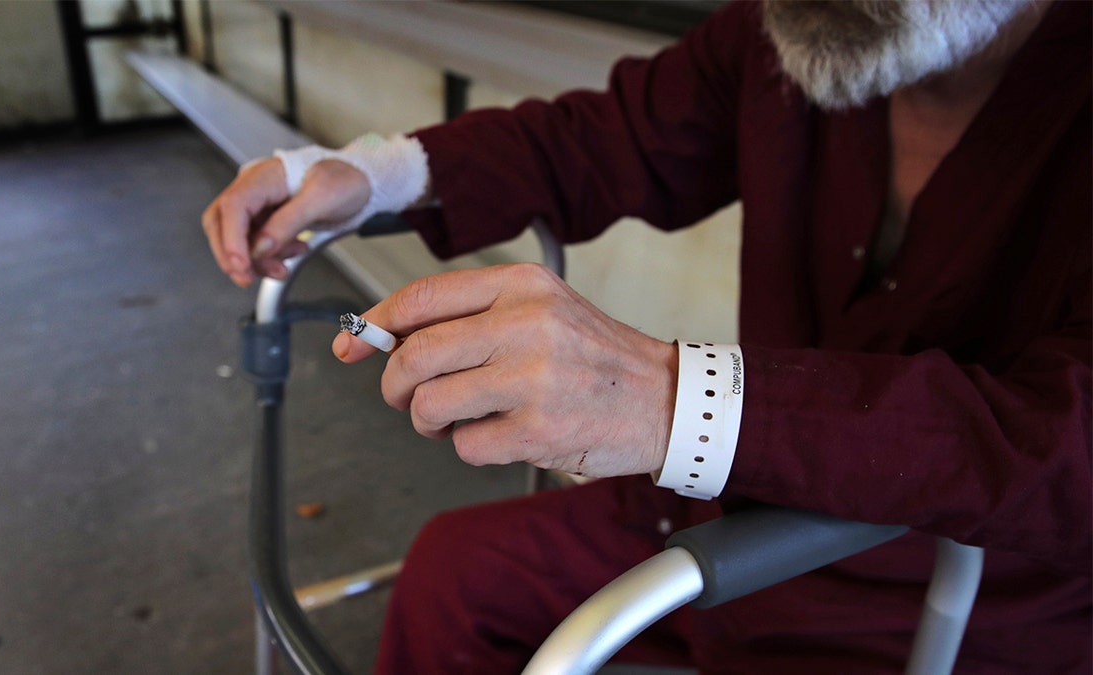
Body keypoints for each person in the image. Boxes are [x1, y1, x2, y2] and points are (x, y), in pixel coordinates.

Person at [202, 0, 1090, 672]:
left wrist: (679, 404)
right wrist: (376, 170)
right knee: (451, 576)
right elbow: (602, 135)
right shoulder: (790, 34)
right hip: (718, 513)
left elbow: (1067, 443)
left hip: (965, 604)